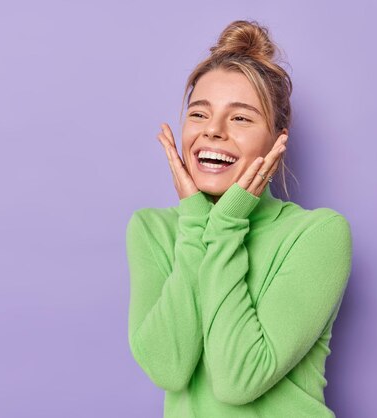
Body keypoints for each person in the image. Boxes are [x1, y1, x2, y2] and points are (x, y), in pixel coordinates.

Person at [125, 20, 352, 417]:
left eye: (241, 118)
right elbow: (169, 368)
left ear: (278, 139)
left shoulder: (318, 234)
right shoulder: (152, 230)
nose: (213, 131)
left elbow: (238, 379)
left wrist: (226, 223)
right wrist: (196, 221)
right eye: (199, 114)